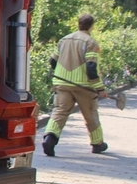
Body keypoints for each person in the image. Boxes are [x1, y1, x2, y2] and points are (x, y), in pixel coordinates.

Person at [42, 13, 109, 157]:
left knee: (60, 111)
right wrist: (100, 89)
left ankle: (49, 138)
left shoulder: (64, 40)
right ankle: (97, 144)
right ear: (91, 26)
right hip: (83, 85)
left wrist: (62, 74)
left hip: (62, 83)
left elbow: (53, 61)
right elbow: (91, 68)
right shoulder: (90, 42)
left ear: (78, 24)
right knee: (90, 114)